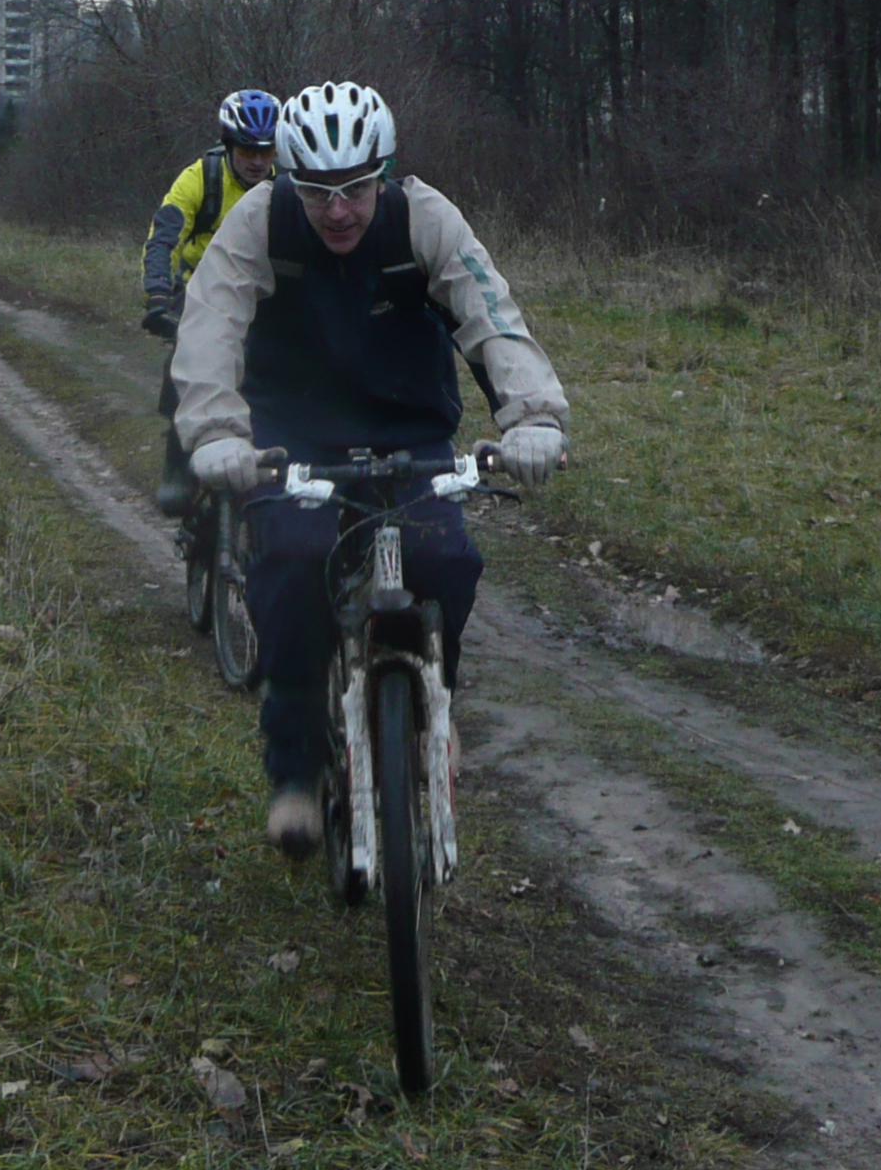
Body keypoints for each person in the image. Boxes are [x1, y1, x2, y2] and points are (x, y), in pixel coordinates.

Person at [169, 80, 568, 854]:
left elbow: (493, 318)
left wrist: (535, 417)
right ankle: (295, 771)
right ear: (290, 179)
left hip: (407, 429)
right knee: (292, 565)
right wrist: (216, 434)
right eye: (317, 192)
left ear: (382, 174)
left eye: (355, 188)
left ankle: (432, 703)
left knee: (445, 559)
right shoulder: (259, 222)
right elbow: (211, 323)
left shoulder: (426, 218)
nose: (338, 211)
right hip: (293, 436)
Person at [141, 89, 284, 514]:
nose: (257, 161)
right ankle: (177, 463)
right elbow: (164, 236)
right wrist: (157, 293)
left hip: (264, 296)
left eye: (266, 151)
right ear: (228, 145)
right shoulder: (200, 179)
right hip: (199, 291)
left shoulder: (286, 188)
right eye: (247, 150)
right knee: (186, 361)